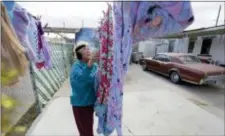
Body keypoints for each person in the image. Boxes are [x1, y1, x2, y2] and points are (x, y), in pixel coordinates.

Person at [70, 44, 99, 136]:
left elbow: (97, 81)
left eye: (89, 49)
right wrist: (89, 66)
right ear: (79, 54)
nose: (88, 50)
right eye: (85, 49)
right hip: (81, 104)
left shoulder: (94, 66)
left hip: (91, 102)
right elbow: (81, 81)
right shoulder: (76, 67)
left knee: (89, 127)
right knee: (86, 132)